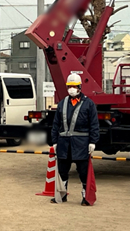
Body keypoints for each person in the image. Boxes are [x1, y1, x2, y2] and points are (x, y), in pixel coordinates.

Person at [51, 73, 99, 206]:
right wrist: (54, 141)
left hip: (81, 145)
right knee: (62, 171)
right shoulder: (62, 103)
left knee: (83, 172)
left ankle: (86, 197)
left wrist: (93, 142)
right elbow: (56, 124)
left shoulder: (89, 104)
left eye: (73, 86)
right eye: (69, 86)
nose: (71, 89)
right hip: (63, 144)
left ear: (79, 87)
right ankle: (61, 195)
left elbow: (94, 125)